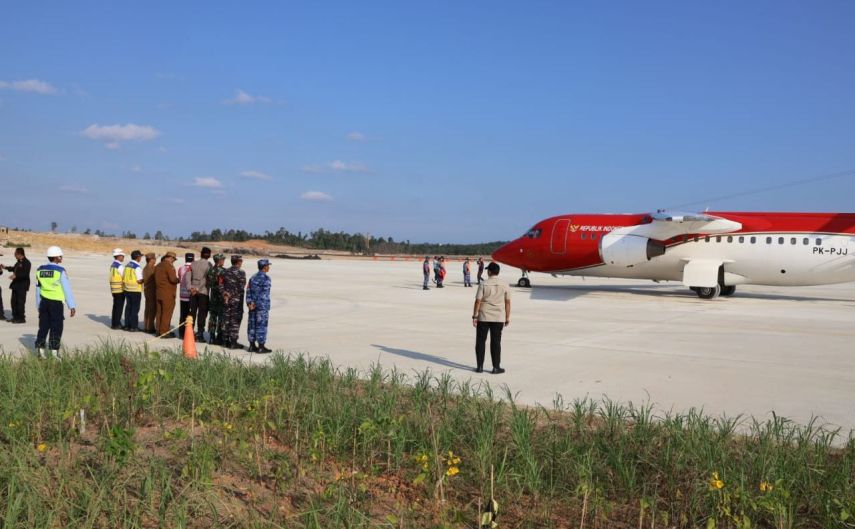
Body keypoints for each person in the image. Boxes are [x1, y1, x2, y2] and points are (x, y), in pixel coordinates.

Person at [34, 246, 76, 359]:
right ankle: (54, 353)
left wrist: (38, 304)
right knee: (56, 327)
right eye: (60, 256)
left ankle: (40, 352)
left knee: (43, 326)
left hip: (43, 302)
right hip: (56, 304)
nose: (61, 258)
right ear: (57, 257)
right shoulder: (60, 271)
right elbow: (66, 289)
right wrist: (71, 306)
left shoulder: (40, 270)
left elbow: (38, 288)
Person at [471, 262, 511, 374]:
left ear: (489, 272)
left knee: (480, 342)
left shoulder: (483, 284)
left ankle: (479, 367)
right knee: (496, 342)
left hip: (483, 316)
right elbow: (507, 302)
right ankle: (496, 367)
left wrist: (475, 315)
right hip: (498, 317)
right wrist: (507, 317)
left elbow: (478, 301)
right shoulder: (505, 284)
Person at [246, 258, 273, 353]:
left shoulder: (252, 278)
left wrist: (249, 303)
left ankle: (251, 346)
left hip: (252, 306)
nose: (269, 267)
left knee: (252, 325)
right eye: (268, 266)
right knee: (261, 326)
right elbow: (263, 294)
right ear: (265, 267)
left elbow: (248, 291)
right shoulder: (266, 278)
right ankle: (261, 346)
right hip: (262, 306)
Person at [221, 255, 246, 349]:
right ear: (238, 262)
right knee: (235, 320)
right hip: (236, 300)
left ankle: (224, 341)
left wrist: (225, 294)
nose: (241, 262)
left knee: (226, 319)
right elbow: (241, 287)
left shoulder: (225, 271)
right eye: (241, 261)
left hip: (226, 299)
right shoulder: (241, 273)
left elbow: (220, 284)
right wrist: (230, 294)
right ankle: (233, 342)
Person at [189, 247, 212, 342]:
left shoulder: (193, 263)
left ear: (201, 254)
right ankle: (200, 334)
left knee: (192, 312)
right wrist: (198, 288)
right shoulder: (209, 265)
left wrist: (192, 288)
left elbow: (188, 277)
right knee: (202, 313)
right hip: (203, 292)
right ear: (209, 255)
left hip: (193, 291)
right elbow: (206, 279)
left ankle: (190, 332)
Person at [154, 252, 179, 337]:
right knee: (167, 313)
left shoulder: (158, 266)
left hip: (158, 292)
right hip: (168, 293)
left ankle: (158, 330)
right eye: (173, 259)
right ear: (170, 258)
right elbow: (173, 279)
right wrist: (179, 279)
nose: (173, 261)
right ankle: (164, 332)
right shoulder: (168, 266)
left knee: (159, 312)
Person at [3, 247, 31, 323]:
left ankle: (21, 318)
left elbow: (25, 274)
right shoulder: (18, 262)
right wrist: (5, 267)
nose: (14, 255)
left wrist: (16, 276)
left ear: (20, 254)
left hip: (22, 286)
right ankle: (15, 317)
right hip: (15, 285)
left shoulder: (27, 263)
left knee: (20, 303)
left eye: (15, 254)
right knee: (13, 302)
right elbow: (14, 268)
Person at [206, 254, 227, 345]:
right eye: (222, 259)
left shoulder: (210, 270)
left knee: (212, 317)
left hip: (213, 297)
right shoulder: (223, 271)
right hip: (221, 298)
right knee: (221, 318)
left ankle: (211, 337)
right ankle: (219, 337)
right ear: (219, 260)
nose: (223, 261)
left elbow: (208, 283)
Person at [122, 250, 144, 331]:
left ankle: (127, 325)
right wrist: (144, 280)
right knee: (135, 309)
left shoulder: (127, 265)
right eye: (140, 256)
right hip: (135, 290)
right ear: (138, 257)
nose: (141, 258)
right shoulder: (137, 267)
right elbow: (139, 280)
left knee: (128, 308)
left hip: (127, 289)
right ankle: (133, 326)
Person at [176, 253, 194, 338]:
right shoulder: (193, 268)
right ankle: (188, 334)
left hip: (182, 295)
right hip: (191, 295)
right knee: (190, 316)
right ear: (193, 259)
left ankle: (181, 333)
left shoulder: (181, 268)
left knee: (182, 315)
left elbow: (179, 278)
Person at [108, 249, 126, 329]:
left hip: (113, 289)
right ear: (118, 256)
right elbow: (124, 276)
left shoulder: (113, 265)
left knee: (115, 307)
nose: (123, 257)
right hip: (119, 289)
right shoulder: (119, 266)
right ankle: (117, 324)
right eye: (122, 256)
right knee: (119, 307)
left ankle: (114, 323)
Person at [142, 252, 157, 333]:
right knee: (152, 309)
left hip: (147, 290)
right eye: (154, 259)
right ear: (151, 260)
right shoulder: (152, 268)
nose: (155, 260)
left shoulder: (145, 268)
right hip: (152, 291)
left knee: (147, 309)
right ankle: (150, 327)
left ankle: (146, 325)